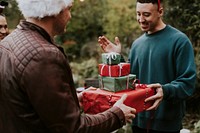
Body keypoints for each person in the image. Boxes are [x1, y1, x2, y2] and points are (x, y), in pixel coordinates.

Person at [0, 0, 136, 133]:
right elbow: (72, 128)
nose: (70, 16)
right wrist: (117, 115)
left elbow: (26, 105)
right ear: (55, 9)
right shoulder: (44, 56)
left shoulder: (8, 42)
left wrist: (70, 100)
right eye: (69, 8)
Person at [98, 0, 196, 133]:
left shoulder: (180, 41)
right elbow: (130, 82)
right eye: (138, 14)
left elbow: (188, 83)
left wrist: (165, 90)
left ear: (160, 12)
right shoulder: (137, 44)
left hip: (167, 124)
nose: (141, 19)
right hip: (138, 122)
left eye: (146, 14)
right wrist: (117, 58)